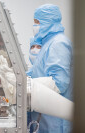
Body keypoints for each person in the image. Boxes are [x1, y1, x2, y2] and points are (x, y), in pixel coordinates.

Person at [27, 4, 73, 133]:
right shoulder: (48, 44)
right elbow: (36, 72)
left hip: (55, 123)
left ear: (48, 22)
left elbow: (59, 83)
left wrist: (28, 86)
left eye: (37, 22)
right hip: (45, 120)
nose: (34, 26)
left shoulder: (58, 43)